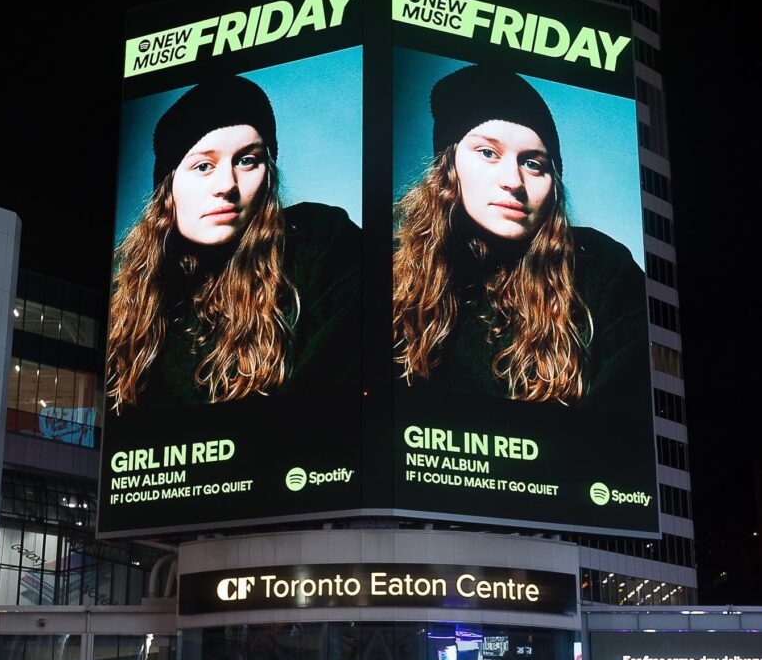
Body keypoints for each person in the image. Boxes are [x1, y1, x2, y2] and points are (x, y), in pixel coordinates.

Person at [393, 63, 649, 409]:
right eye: (488, 153)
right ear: (448, 166)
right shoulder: (394, 278)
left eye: (533, 163)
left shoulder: (601, 269)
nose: (513, 181)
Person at [107, 73, 360, 412]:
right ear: (167, 187)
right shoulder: (133, 307)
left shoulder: (321, 242)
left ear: (268, 174)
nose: (227, 184)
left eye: (247, 160)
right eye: (203, 166)